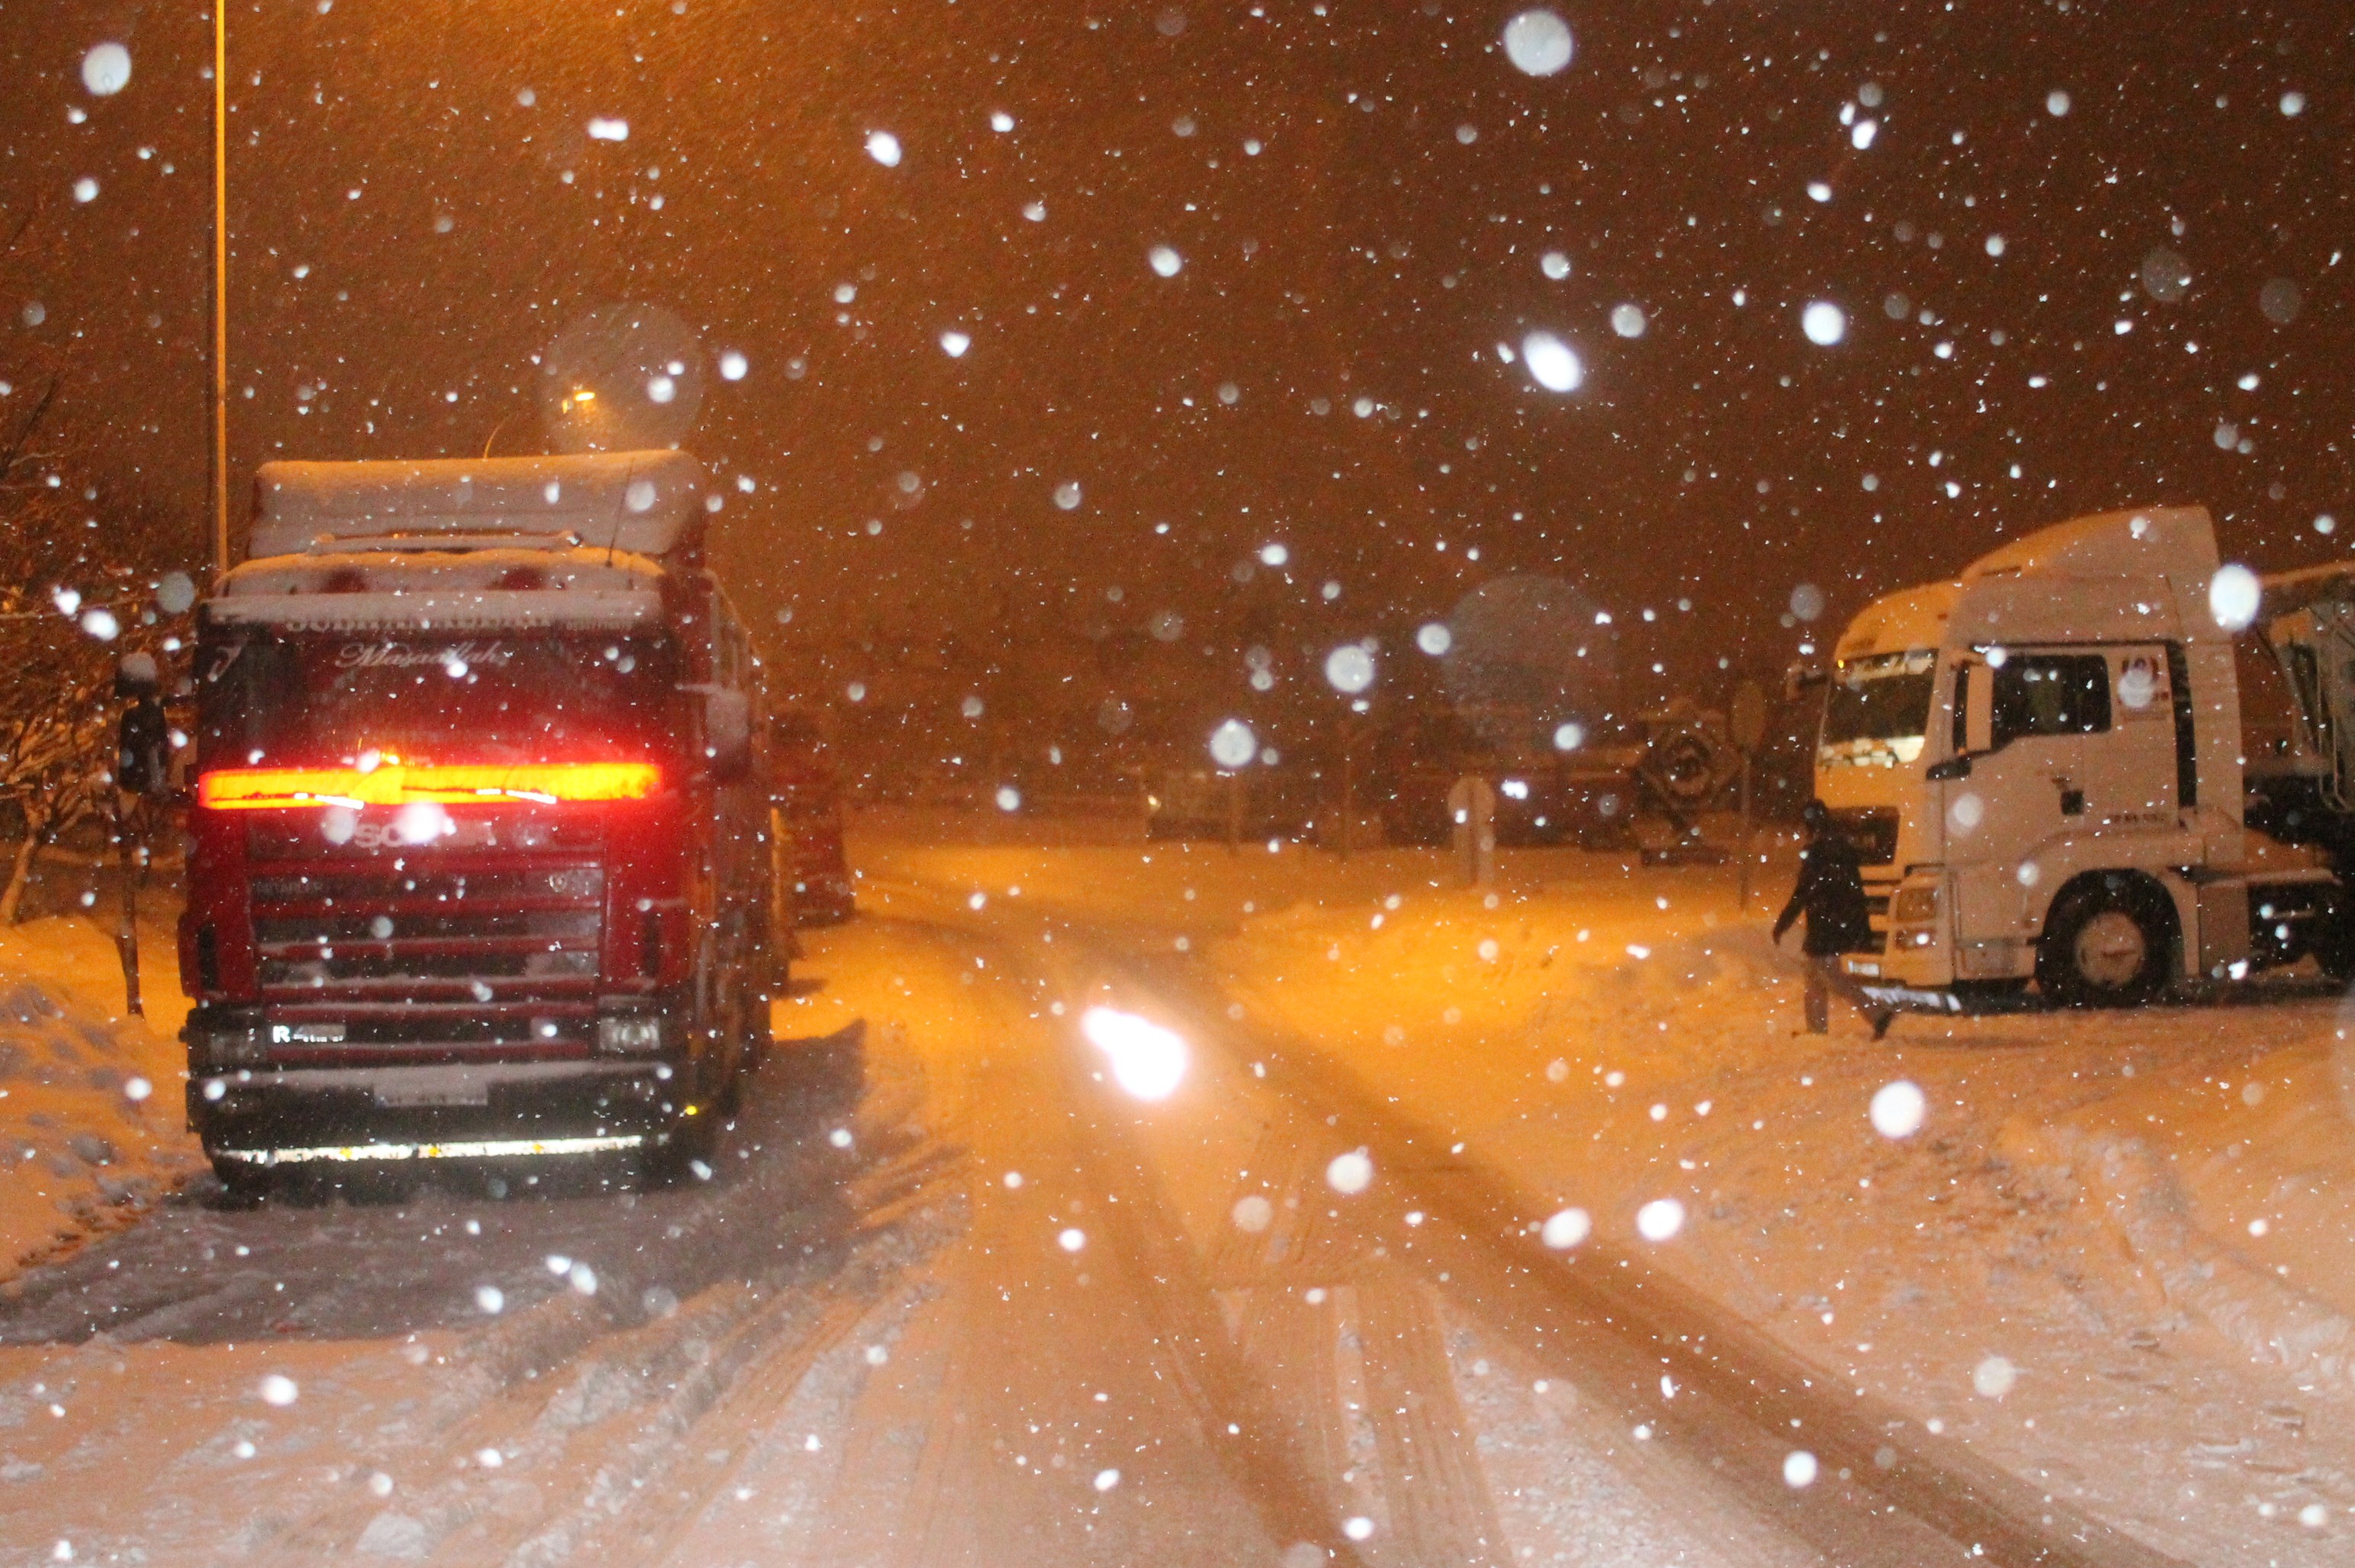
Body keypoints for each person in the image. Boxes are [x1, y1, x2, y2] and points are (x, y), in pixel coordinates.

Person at [1772, 799, 1894, 1039]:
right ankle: (1817, 1029)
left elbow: (1803, 892)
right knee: (1817, 976)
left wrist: (1784, 922)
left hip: (1825, 925)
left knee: (1832, 977)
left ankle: (1879, 1016)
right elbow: (1851, 887)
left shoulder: (1820, 852)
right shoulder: (1840, 847)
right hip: (1838, 922)